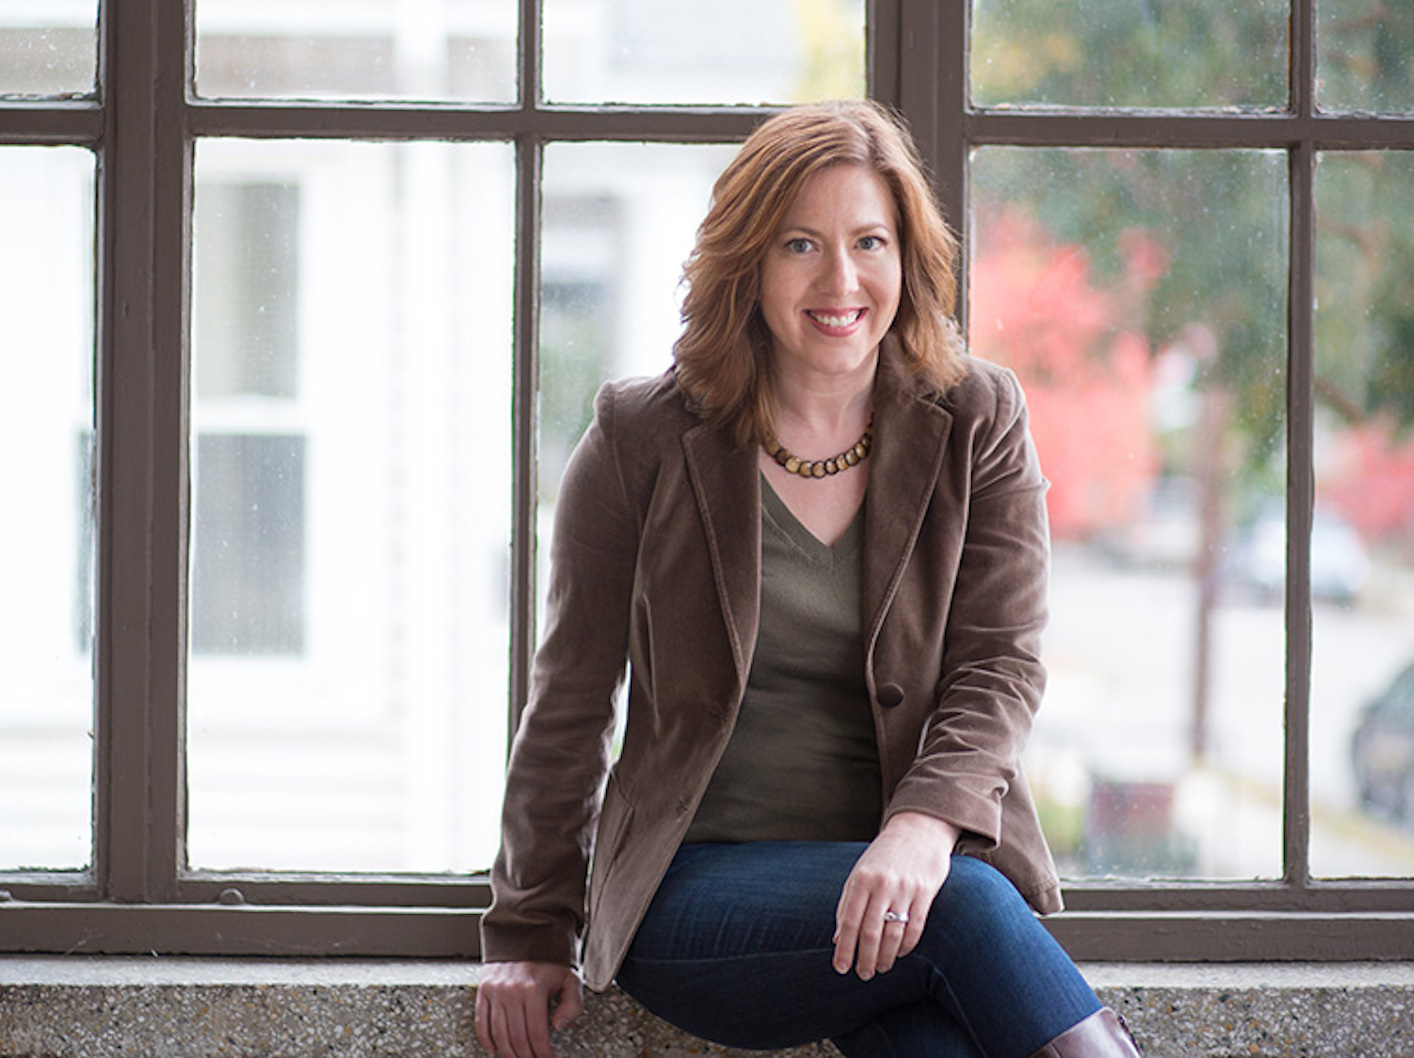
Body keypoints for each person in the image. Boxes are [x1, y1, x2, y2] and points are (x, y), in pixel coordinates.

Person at [473, 101, 1141, 1058]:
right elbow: (572, 701)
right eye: (800, 245)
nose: (841, 280)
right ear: (748, 264)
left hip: (905, 888)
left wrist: (918, 830)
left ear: (908, 259)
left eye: (870, 241)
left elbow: (999, 664)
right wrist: (529, 928)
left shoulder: (977, 417)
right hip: (697, 894)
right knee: (960, 906)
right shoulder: (642, 440)